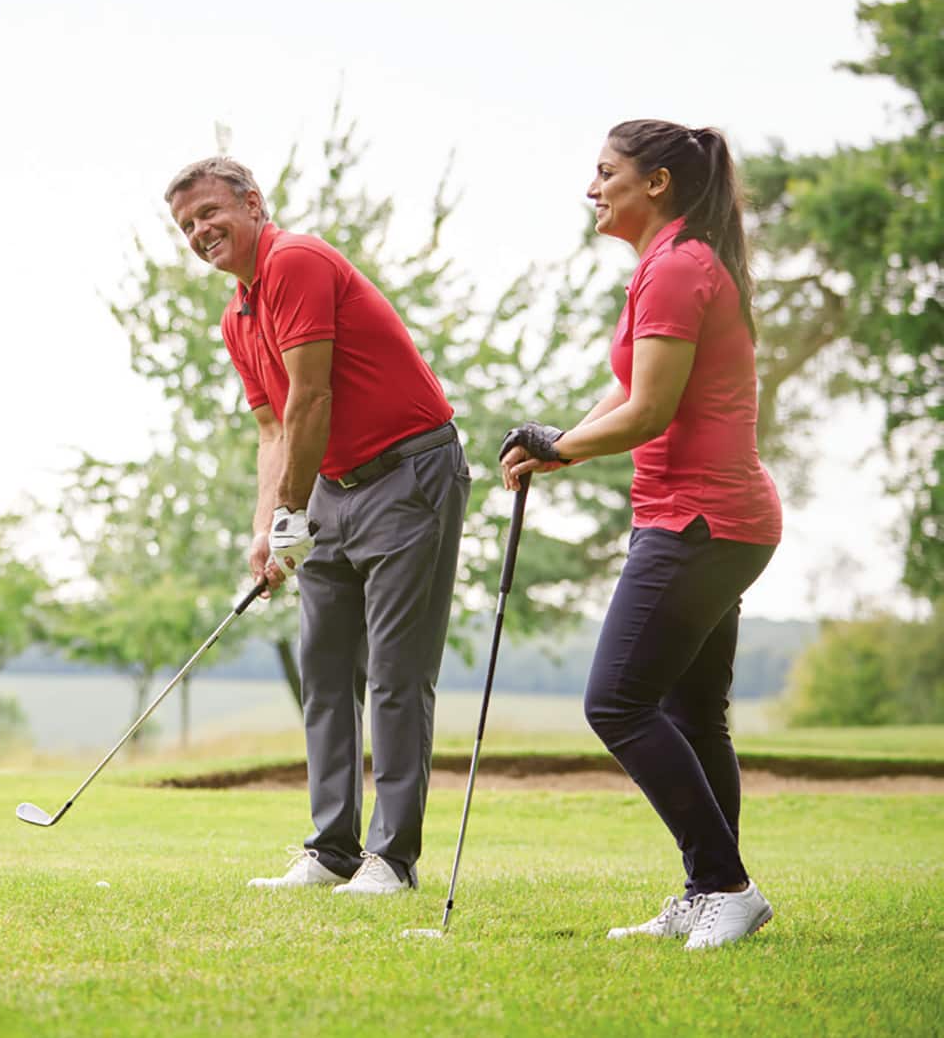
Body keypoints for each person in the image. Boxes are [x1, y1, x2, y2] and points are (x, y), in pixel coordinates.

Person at [500, 119, 781, 949]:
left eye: (605, 172)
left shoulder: (679, 267)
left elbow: (651, 412)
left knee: (616, 701)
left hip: (699, 521)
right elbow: (628, 390)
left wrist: (561, 447)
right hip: (718, 521)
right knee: (692, 708)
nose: (592, 189)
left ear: (656, 182)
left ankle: (726, 883)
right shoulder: (673, 262)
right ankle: (709, 890)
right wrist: (560, 446)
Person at [165, 157, 468, 896]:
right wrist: (267, 529)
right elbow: (273, 430)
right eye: (186, 225)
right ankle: (332, 848)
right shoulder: (238, 316)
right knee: (325, 672)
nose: (201, 231)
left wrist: (294, 511)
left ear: (252, 203)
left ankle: (391, 858)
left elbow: (311, 398)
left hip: (408, 474)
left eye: (210, 212)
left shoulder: (295, 261)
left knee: (395, 675)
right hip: (332, 485)